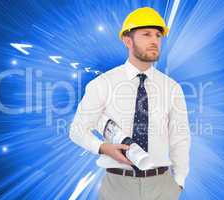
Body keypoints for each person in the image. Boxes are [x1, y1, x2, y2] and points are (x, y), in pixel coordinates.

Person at [69, 7, 190, 200]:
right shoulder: (103, 84)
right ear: (127, 40)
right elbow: (77, 130)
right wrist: (103, 148)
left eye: (158, 35)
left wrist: (179, 183)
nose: (154, 41)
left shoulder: (172, 88)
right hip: (117, 186)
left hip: (163, 186)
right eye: (146, 34)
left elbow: (180, 138)